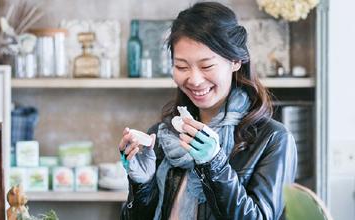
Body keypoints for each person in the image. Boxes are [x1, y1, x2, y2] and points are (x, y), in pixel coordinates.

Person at [118, 2, 297, 220]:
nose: (194, 79)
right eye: (182, 67)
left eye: (206, 66)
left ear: (236, 61)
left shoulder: (273, 140)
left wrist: (215, 165)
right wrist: (141, 185)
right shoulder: (163, 135)